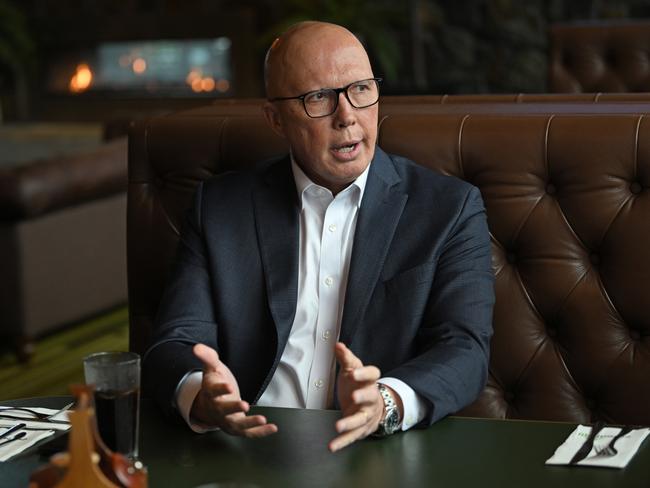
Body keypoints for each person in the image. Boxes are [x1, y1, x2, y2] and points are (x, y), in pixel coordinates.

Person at [142, 21, 494, 453]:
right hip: (246, 449)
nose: (347, 115)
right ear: (276, 119)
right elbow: (172, 343)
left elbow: (465, 349)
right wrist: (202, 395)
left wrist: (385, 401)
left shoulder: (447, 208)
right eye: (319, 98)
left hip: (376, 452)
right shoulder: (220, 207)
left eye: (361, 89)